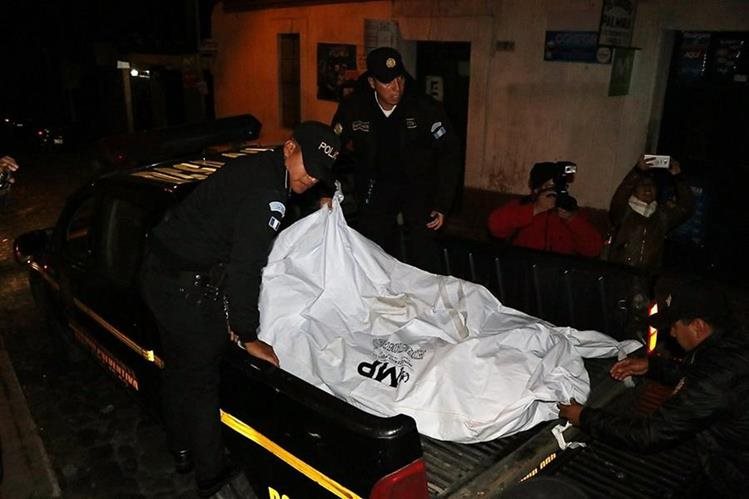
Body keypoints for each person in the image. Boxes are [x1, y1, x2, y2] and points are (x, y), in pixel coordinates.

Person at [140, 122, 341, 497]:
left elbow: (249, 223)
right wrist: (248, 334)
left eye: (319, 174)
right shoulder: (269, 192)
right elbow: (247, 266)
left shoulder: (262, 168)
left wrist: (313, 207)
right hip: (184, 288)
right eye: (309, 166)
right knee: (202, 381)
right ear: (290, 147)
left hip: (160, 273)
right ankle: (212, 475)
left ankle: (180, 448)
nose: (312, 177)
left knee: (179, 368)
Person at [558, 279, 749, 497]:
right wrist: (653, 366)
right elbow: (703, 376)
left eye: (675, 326)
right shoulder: (734, 343)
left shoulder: (716, 377)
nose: (673, 334)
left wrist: (583, 417)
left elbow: (649, 434)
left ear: (698, 326)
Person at [330, 46, 462, 273]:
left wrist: (442, 202)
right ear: (372, 83)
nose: (396, 88)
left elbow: (450, 152)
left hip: (418, 183)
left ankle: (427, 289)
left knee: (424, 246)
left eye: (399, 79)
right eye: (387, 83)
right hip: (376, 183)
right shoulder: (355, 107)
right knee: (373, 248)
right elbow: (331, 148)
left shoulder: (423, 107)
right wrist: (326, 191)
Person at [487, 162, 603, 257]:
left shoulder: (570, 210)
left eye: (560, 187)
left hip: (556, 273)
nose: (556, 191)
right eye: (550, 187)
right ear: (537, 189)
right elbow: (495, 226)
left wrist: (571, 219)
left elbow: (594, 249)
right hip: (523, 270)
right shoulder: (522, 206)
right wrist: (536, 209)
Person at [606, 154, 695, 268]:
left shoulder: (662, 216)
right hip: (621, 274)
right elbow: (620, 195)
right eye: (642, 184)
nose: (648, 188)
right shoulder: (623, 212)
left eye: (651, 185)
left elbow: (686, 208)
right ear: (634, 189)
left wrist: (678, 177)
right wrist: (637, 171)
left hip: (647, 276)